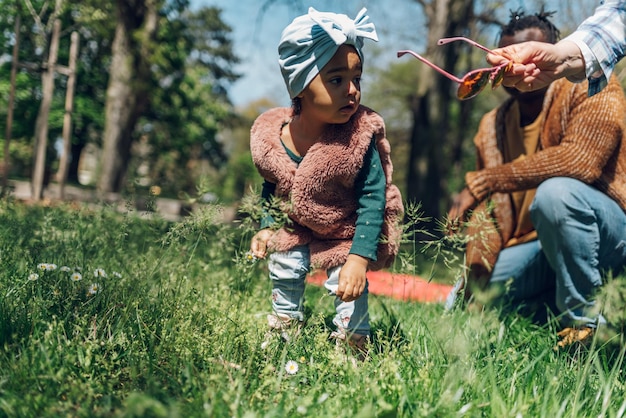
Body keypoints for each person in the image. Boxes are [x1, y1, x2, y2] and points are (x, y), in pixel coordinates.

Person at [445, 9, 626, 347]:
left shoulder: (593, 85)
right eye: (507, 61)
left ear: (553, 54)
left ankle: (585, 330)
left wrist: (484, 180)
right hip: (537, 249)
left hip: (611, 235)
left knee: (556, 196)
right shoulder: (490, 126)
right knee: (468, 296)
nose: (518, 70)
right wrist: (475, 280)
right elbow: (491, 214)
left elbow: (580, 161)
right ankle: (546, 310)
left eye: (529, 55)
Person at [248, 7, 404, 356]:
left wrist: (359, 259)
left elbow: (372, 198)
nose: (352, 91)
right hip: (300, 224)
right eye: (336, 80)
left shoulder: (357, 139)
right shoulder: (275, 139)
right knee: (285, 262)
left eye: (357, 79)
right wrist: (267, 225)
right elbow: (272, 185)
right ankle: (284, 326)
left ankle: (353, 344)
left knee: (345, 282)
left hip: (345, 227)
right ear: (300, 85)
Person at [486, 1, 626, 96]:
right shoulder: (495, 122)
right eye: (503, 66)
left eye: (529, 59)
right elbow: (618, 13)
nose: (517, 69)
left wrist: (563, 58)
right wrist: (563, 58)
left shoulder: (590, 95)